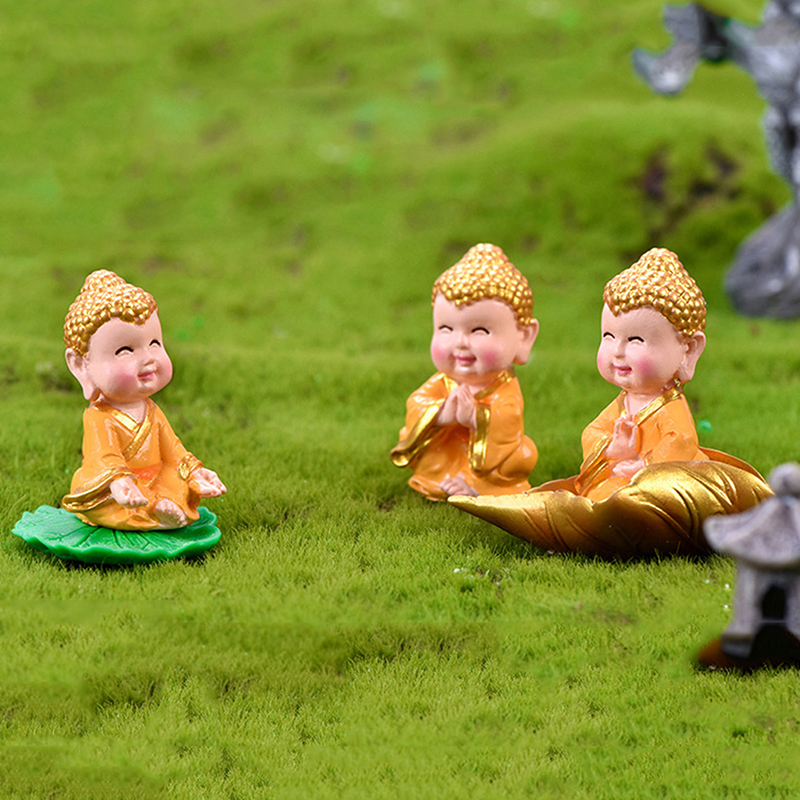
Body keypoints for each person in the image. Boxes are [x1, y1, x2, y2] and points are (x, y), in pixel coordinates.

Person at [450, 248, 772, 557]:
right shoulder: (622, 403)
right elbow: (593, 433)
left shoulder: (670, 408)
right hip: (615, 482)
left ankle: (591, 525)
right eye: (608, 336)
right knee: (600, 498)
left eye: (635, 340)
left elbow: (679, 447)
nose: (617, 351)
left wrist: (641, 465)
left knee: (643, 495)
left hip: (651, 489)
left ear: (688, 350)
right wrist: (613, 449)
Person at [61, 270, 226, 530]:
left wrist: (195, 472)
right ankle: (152, 511)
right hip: (115, 483)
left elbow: (173, 450)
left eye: (154, 343)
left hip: (154, 477)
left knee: (177, 481)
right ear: (82, 366)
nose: (148, 358)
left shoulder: (152, 411)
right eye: (125, 350)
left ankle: (159, 509)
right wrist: (120, 482)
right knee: (106, 499)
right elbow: (104, 455)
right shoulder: (99, 417)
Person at [391, 243, 539, 499]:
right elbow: (417, 403)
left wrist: (476, 417)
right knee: (429, 449)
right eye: (446, 328)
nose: (460, 342)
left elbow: (508, 418)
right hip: (445, 458)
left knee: (523, 455)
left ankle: (474, 485)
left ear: (523, 337)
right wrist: (441, 415)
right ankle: (442, 480)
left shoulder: (503, 386)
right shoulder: (444, 382)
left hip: (488, 466)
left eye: (479, 330)